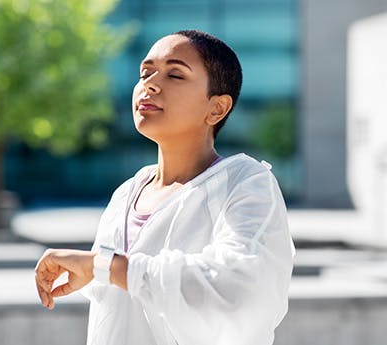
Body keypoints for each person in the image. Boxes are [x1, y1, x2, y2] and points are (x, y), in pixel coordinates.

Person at [35, 29, 295, 345]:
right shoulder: (127, 193)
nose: (150, 84)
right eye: (145, 72)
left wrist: (105, 266)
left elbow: (237, 289)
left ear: (217, 108)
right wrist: (100, 273)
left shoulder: (245, 183)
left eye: (175, 74)